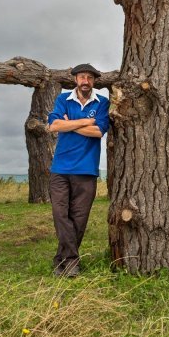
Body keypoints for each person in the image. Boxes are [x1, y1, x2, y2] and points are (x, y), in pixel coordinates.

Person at [46, 63, 110, 277]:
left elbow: (98, 131)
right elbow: (53, 126)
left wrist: (70, 123)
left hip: (86, 170)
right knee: (60, 214)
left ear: (94, 81)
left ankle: (61, 260)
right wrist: (85, 121)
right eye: (82, 77)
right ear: (75, 79)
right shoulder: (63, 100)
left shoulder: (102, 102)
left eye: (89, 78)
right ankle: (72, 261)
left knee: (79, 218)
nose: (85, 81)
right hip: (60, 169)